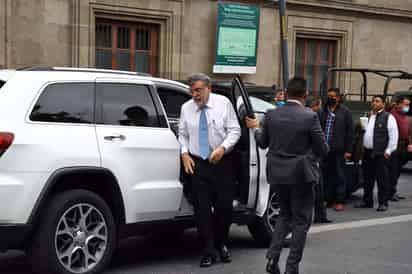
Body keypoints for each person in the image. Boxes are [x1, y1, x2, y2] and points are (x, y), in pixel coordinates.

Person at [247, 77, 328, 274]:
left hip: (277, 173)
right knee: (301, 221)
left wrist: (256, 128)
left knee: (284, 215)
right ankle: (292, 267)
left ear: (287, 92)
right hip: (301, 174)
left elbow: (263, 142)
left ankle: (272, 258)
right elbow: (323, 148)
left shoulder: (272, 114)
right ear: (305, 94)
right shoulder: (309, 116)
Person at [178, 73, 241, 267]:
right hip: (198, 164)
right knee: (202, 209)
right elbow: (182, 134)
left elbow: (235, 130)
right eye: (192, 91)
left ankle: (221, 243)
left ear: (208, 88)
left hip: (222, 162)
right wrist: (184, 153)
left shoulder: (223, 103)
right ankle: (208, 249)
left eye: (198, 90)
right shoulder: (186, 108)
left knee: (224, 208)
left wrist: (223, 148)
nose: (194, 95)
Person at [355, 95, 398, 212]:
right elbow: (365, 132)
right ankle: (367, 201)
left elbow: (394, 136)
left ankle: (383, 203)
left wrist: (389, 151)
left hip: (380, 153)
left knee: (382, 179)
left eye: (377, 101)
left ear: (383, 104)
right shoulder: (369, 115)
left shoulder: (388, 117)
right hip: (367, 152)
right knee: (367, 179)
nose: (374, 103)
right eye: (373, 101)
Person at [320, 88, 354, 211]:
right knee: (326, 175)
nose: (331, 98)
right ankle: (326, 199)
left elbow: (350, 133)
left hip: (339, 149)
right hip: (325, 149)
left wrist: (349, 150)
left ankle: (340, 201)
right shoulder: (323, 111)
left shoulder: (345, 112)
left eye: (333, 96)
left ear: (338, 98)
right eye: (329, 96)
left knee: (340, 176)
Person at [305, 96, 331, 223]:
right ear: (314, 106)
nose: (320, 108)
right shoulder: (313, 118)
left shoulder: (308, 116)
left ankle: (320, 215)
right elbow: (319, 140)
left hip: (307, 158)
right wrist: (323, 150)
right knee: (316, 188)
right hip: (312, 158)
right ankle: (317, 216)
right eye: (319, 105)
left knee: (317, 189)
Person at [389, 96, 412, 201]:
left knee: (397, 171)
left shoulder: (406, 118)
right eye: (405, 104)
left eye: (408, 105)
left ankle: (393, 191)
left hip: (403, 146)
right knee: (393, 171)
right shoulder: (392, 115)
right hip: (394, 146)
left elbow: (409, 133)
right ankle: (389, 193)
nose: (407, 107)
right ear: (398, 105)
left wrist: (410, 144)